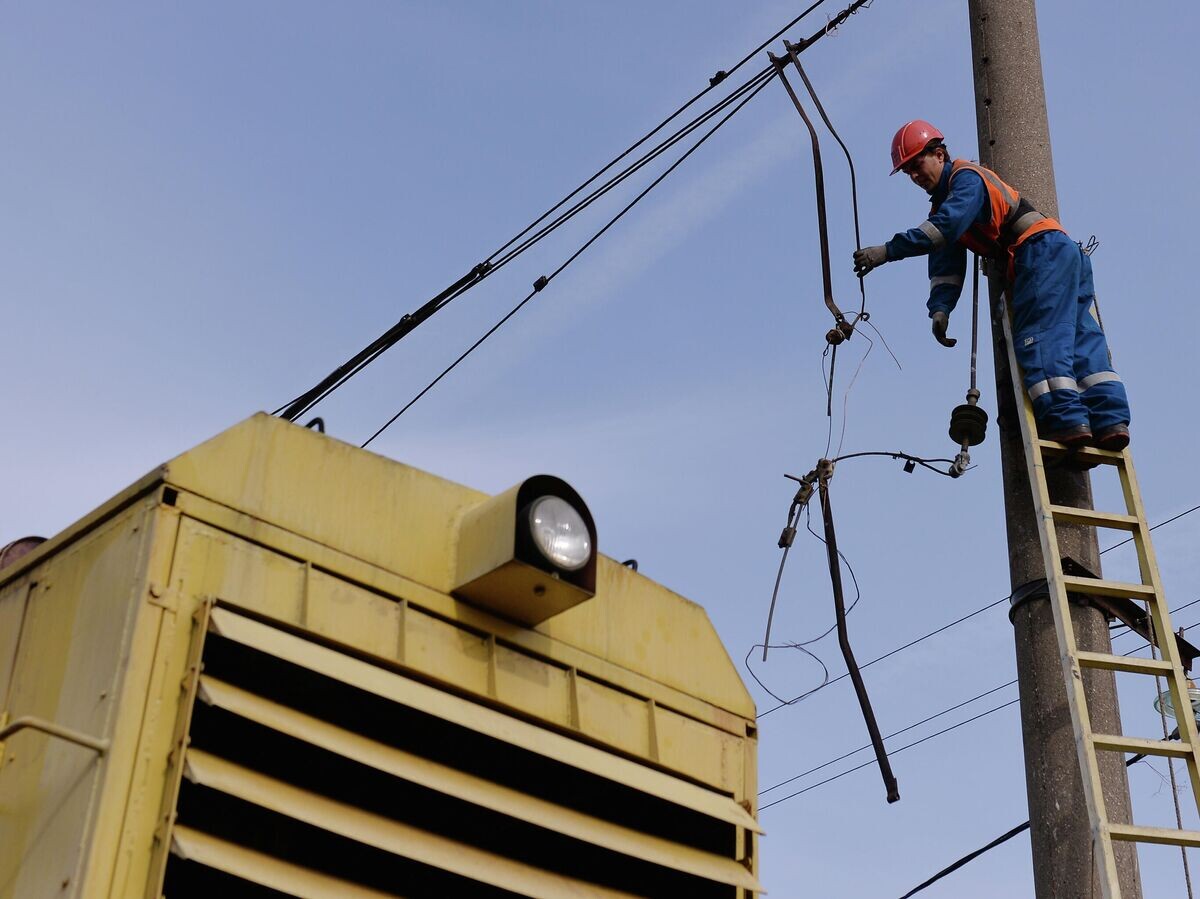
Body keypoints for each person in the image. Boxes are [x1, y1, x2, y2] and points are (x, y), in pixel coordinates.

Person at [851, 120, 1130, 450]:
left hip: (1039, 253)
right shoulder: (947, 201)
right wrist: (940, 310)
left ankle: (1067, 422)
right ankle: (1109, 420)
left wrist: (887, 251)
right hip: (1061, 252)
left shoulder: (966, 179)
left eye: (916, 164)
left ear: (939, 154)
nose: (914, 176)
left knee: (1038, 337)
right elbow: (946, 263)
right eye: (908, 171)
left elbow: (944, 228)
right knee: (1081, 336)